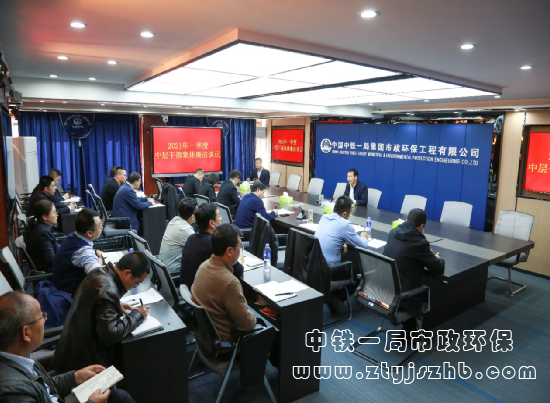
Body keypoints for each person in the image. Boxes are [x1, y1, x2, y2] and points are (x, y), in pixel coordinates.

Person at [0, 291, 136, 403]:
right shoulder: (14, 393)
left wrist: (75, 377)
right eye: (41, 317)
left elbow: (44, 387)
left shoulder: (19, 357)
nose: (45, 319)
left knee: (118, 396)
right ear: (26, 333)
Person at [53, 252, 150, 373]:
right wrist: (137, 315)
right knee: (135, 361)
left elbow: (95, 303)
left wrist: (115, 304)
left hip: (72, 349)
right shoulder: (107, 292)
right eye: (136, 283)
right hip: (82, 365)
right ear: (126, 273)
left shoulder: (99, 272)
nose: (133, 287)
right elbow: (111, 334)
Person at [191, 224, 257, 343]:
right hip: (227, 342)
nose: (240, 250)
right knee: (268, 327)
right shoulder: (230, 282)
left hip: (205, 339)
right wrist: (254, 313)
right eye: (239, 247)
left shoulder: (203, 267)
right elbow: (246, 325)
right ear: (229, 251)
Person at [383, 208, 445, 333]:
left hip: (383, 287)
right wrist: (436, 258)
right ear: (422, 226)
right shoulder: (419, 242)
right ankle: (410, 331)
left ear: (406, 220)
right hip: (402, 296)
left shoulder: (393, 232)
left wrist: (424, 253)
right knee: (422, 285)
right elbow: (437, 268)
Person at [180, 203, 244, 288]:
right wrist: (240, 260)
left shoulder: (191, 238)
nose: (221, 219)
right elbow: (238, 270)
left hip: (189, 289)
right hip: (203, 292)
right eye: (219, 216)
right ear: (212, 223)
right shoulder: (215, 243)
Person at [52, 209, 104, 295]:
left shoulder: (73, 236)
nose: (102, 226)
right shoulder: (83, 251)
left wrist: (94, 252)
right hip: (72, 295)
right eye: (100, 225)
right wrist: (100, 261)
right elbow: (98, 277)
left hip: (60, 285)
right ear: (89, 233)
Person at [315, 195, 369, 265]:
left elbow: (332, 235)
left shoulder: (324, 217)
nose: (350, 215)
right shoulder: (345, 225)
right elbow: (362, 246)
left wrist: (343, 241)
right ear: (344, 214)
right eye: (350, 212)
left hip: (314, 265)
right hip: (330, 268)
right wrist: (364, 237)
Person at [158, 197, 197, 274]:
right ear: (192, 217)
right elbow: (198, 252)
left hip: (163, 267)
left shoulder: (174, 220)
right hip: (173, 271)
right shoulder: (186, 230)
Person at [24, 200, 59, 272]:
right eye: (54, 212)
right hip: (49, 272)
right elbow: (52, 260)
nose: (57, 215)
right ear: (44, 217)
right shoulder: (43, 232)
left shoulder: (41, 227)